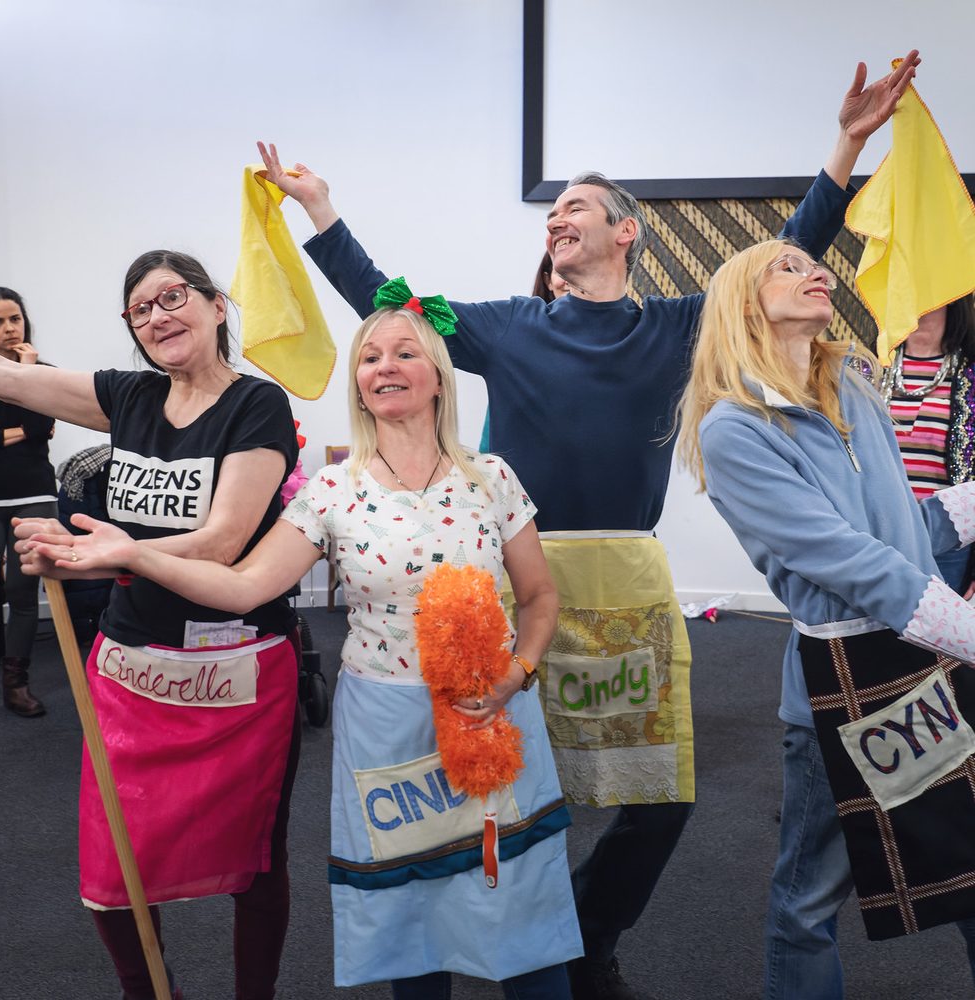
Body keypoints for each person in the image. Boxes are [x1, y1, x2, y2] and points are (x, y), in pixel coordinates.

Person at [256, 50, 920, 1000]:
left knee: (661, 797)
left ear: (627, 233)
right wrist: (322, 210)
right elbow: (388, 308)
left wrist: (848, 141)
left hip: (629, 581)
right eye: (552, 210)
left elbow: (781, 248)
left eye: (575, 205)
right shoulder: (502, 324)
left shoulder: (677, 325)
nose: (557, 218)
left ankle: (585, 935)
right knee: (525, 785)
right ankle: (507, 941)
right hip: (516, 582)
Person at [25, 301, 583, 999]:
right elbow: (243, 584)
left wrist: (516, 671)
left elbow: (539, 599)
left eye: (405, 353)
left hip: (490, 716)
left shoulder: (490, 479)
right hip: (386, 724)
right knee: (411, 913)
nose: (387, 366)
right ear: (357, 384)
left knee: (521, 902)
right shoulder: (332, 490)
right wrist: (129, 554)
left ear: (438, 376)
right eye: (371, 357)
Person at [0, 251, 301, 1000]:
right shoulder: (129, 397)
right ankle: (147, 991)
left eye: (173, 297)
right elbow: (1, 376)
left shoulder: (258, 405)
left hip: (240, 674)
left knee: (256, 858)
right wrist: (110, 561)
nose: (157, 317)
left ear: (217, 305)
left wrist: (111, 557)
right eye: (140, 310)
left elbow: (224, 542)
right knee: (115, 854)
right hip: (131, 672)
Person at [675, 238, 975, 998]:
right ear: (745, 302)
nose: (819, 272)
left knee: (971, 860)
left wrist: (965, 508)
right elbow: (841, 557)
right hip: (843, 692)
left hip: (925, 666)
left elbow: (901, 528)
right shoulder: (733, 428)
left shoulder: (854, 391)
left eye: (816, 263)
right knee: (809, 902)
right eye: (788, 264)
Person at [0, 287, 57, 717]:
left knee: (24, 595)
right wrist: (11, 433)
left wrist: (29, 373)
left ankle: (16, 686)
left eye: (15, 319)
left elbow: (42, 427)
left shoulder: (43, 372)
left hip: (35, 493)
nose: (9, 329)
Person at [880, 295, 975, 591]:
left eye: (929, 297)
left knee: (936, 635)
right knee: (877, 634)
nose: (917, 306)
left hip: (949, 537)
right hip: (879, 533)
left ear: (952, 301)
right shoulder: (870, 366)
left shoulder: (970, 371)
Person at [479, 251, 569, 451]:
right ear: (548, 280)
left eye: (581, 270)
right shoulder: (516, 333)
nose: (570, 280)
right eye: (563, 272)